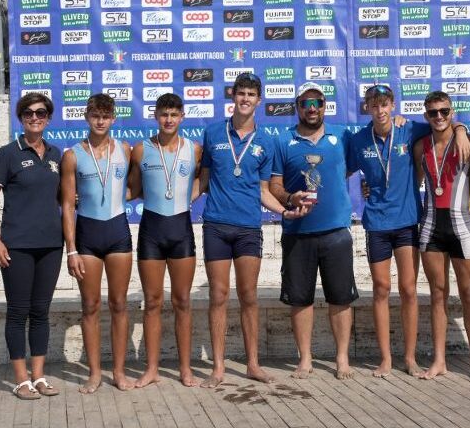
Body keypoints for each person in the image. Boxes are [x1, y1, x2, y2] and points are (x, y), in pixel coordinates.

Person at [347, 85, 470, 378]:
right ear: (367, 108)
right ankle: (386, 359)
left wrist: (463, 129)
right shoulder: (358, 140)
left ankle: (411, 358)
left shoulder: (410, 129)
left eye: (385, 104)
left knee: (408, 290)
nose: (380, 111)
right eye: (374, 105)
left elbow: (443, 123)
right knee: (380, 289)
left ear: (393, 105)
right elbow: (343, 171)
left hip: (406, 222)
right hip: (376, 222)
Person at [198, 73, 305, 388]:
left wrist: (284, 210)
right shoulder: (213, 132)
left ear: (259, 100)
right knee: (218, 296)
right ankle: (218, 368)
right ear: (233, 96)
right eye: (240, 93)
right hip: (216, 225)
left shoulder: (265, 141)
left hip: (248, 228)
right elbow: (202, 183)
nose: (245, 99)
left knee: (248, 297)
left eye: (251, 95)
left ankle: (252, 365)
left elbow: (263, 190)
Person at [269, 82, 363, 380]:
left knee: (340, 298)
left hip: (336, 230)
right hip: (297, 232)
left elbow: (363, 158)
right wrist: (289, 198)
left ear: (325, 106)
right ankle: (305, 359)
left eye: (317, 103)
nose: (312, 109)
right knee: (300, 299)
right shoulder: (283, 141)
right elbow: (274, 185)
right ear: (297, 107)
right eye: (306, 103)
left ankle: (342, 359)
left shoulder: (344, 137)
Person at [0, 92, 63, 400]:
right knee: (18, 312)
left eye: (40, 113)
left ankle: (39, 376)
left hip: (51, 247)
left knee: (41, 311)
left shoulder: (56, 154)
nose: (34, 117)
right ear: (21, 118)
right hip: (16, 246)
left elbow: (62, 199)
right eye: (28, 113)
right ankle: (20, 379)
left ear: (48, 117)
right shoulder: (8, 153)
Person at [60, 94, 134, 393]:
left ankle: (117, 371)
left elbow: (134, 188)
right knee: (90, 306)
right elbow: (66, 205)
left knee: (118, 304)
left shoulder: (126, 150)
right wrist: (72, 249)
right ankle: (94, 373)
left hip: (118, 232)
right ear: (86, 117)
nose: (100, 120)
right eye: (95, 115)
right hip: (87, 237)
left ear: (113, 118)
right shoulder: (73, 155)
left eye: (106, 115)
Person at [127, 93, 201, 387]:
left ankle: (185, 369)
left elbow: (203, 180)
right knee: (153, 301)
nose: (169, 120)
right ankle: (152, 369)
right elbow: (133, 189)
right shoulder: (141, 150)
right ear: (155, 116)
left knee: (182, 301)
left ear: (182, 117)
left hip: (181, 230)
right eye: (164, 114)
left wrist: (187, 197)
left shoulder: (194, 150)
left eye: (174, 114)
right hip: (151, 232)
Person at [414, 91, 470, 382]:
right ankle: (440, 360)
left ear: (452, 111)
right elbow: (416, 181)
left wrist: (461, 129)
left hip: (462, 227)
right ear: (426, 116)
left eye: (444, 111)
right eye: (433, 113)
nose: (439, 117)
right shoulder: (421, 146)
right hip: (431, 226)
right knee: (437, 295)